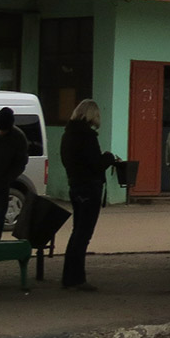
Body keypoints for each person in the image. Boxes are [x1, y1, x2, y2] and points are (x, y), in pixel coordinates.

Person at [60, 99, 116, 291]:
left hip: (75, 186)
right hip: (89, 188)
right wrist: (108, 158)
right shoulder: (87, 137)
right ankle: (77, 278)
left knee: (77, 232)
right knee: (83, 234)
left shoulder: (68, 134)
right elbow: (95, 164)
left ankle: (69, 276)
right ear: (92, 115)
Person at [0, 107, 29, 240]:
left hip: (1, 184)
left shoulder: (18, 138)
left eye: (2, 130)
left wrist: (6, 179)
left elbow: (20, 163)